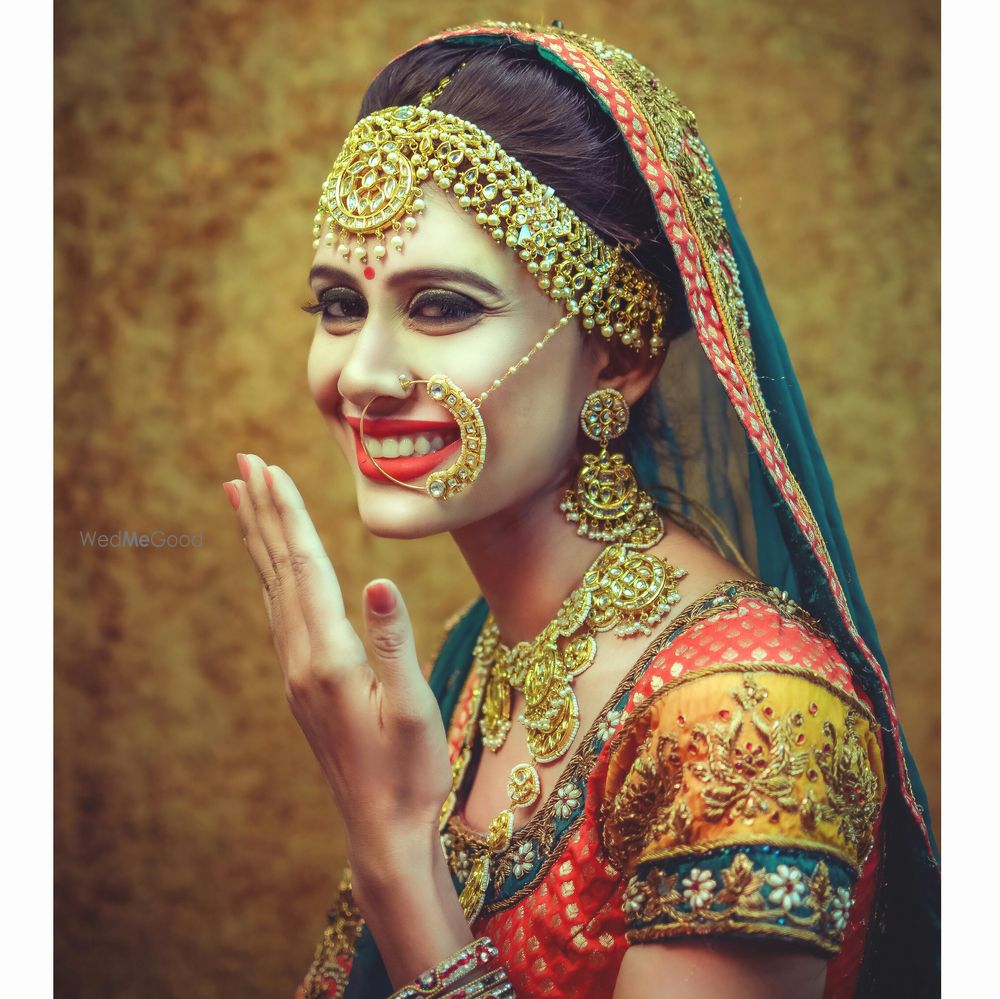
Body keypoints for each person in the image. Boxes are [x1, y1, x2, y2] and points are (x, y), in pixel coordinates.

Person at [221, 20, 940, 999]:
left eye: (441, 307)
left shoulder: (746, 713)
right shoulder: (484, 650)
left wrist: (392, 846)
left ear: (620, 355)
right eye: (339, 305)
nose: (362, 373)